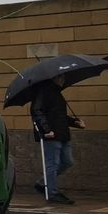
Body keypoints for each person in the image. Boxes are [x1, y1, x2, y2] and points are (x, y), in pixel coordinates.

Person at [30, 74, 83, 203]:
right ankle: (52, 193)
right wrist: (46, 130)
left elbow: (59, 115)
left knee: (67, 161)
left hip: (62, 133)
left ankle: (43, 183)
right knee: (52, 164)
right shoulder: (43, 93)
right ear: (54, 78)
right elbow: (36, 111)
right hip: (51, 135)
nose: (63, 79)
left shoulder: (57, 93)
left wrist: (75, 122)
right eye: (60, 77)